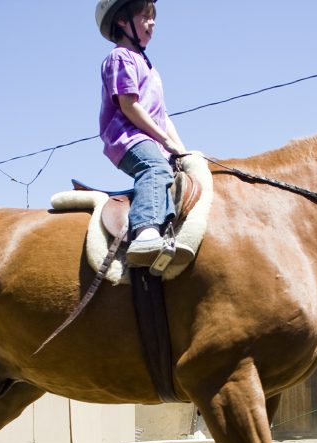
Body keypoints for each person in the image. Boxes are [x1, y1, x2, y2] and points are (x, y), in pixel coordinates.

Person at [96, 0, 187, 267]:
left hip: (149, 138)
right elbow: (128, 105)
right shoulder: (120, 57)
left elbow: (163, 116)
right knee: (155, 168)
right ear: (122, 22)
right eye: (145, 16)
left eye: (153, 17)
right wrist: (164, 141)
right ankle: (145, 235)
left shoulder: (148, 67)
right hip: (127, 137)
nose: (153, 22)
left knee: (174, 174)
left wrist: (182, 149)